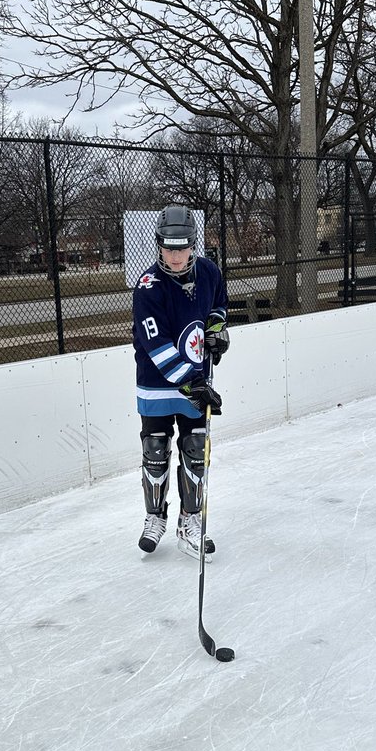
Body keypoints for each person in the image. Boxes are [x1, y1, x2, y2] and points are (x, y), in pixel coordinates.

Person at [132, 205, 230, 558]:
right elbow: (155, 346)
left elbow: (218, 307)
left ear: (194, 244)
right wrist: (192, 382)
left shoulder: (209, 272)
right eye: (169, 248)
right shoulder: (147, 287)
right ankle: (155, 517)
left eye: (182, 247)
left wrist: (218, 333)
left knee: (195, 451)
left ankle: (190, 521)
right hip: (158, 382)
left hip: (195, 379)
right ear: (159, 245)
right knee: (155, 450)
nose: (175, 256)